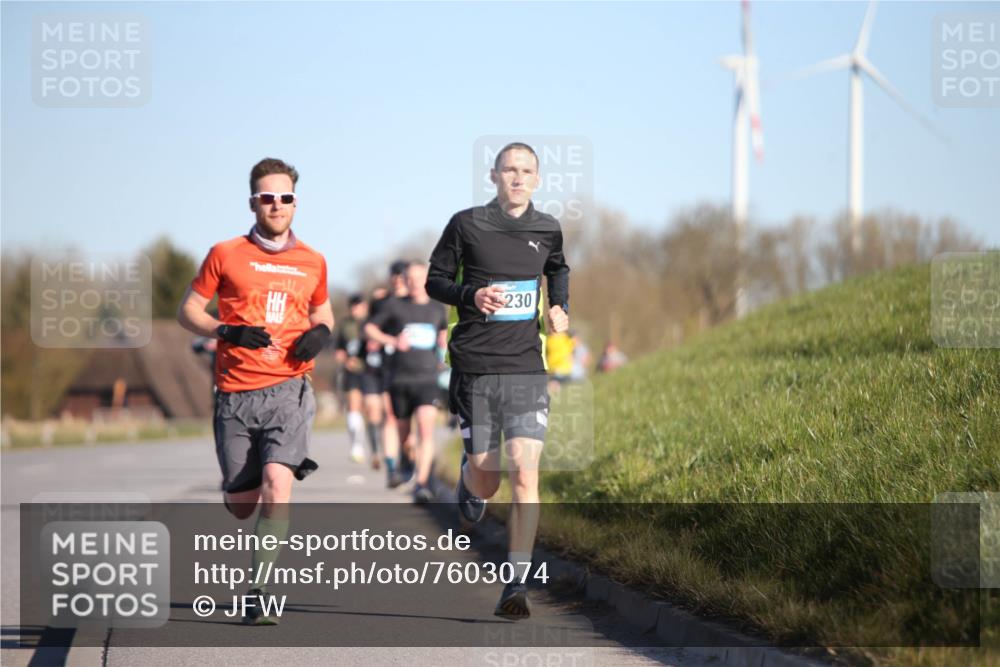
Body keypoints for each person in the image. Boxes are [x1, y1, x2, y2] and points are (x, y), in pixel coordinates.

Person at [177, 157, 333, 625]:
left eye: (285, 197)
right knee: (243, 504)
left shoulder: (313, 260)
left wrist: (321, 335)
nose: (277, 205)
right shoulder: (225, 253)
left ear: (295, 202)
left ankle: (258, 590)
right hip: (236, 393)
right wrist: (226, 331)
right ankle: (233, 487)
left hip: (290, 388)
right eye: (268, 197)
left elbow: (323, 315)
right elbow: (188, 310)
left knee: (277, 485)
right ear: (253, 202)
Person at [426, 142, 570, 618]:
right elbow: (435, 280)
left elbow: (557, 268)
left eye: (526, 170)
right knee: (488, 476)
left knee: (525, 470)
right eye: (509, 169)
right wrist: (472, 295)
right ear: (494, 175)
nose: (517, 177)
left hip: (527, 366)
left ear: (537, 179)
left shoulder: (547, 228)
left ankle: (516, 583)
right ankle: (470, 483)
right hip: (475, 366)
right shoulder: (466, 223)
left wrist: (558, 306)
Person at [365, 262, 448, 503]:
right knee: (404, 435)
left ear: (426, 279)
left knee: (425, 428)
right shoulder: (394, 306)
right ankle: (406, 459)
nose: (413, 282)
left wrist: (443, 346)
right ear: (404, 280)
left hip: (427, 378)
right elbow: (369, 328)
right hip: (399, 379)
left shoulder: (436, 308)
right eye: (409, 278)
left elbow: (442, 333)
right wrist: (391, 340)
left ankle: (422, 484)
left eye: (418, 277)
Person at [368, 260, 414, 487]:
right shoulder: (383, 304)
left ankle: (407, 455)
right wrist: (389, 341)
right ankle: (391, 467)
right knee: (390, 417)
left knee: (410, 423)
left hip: (418, 369)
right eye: (394, 276)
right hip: (390, 368)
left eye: (401, 275)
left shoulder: (421, 301)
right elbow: (370, 329)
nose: (397, 280)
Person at [333, 294, 382, 467]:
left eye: (359, 306)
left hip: (371, 370)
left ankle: (375, 450)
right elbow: (338, 350)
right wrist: (346, 360)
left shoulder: (373, 322)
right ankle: (356, 445)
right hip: (352, 371)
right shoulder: (345, 324)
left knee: (371, 409)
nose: (356, 310)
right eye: (353, 306)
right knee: (353, 406)